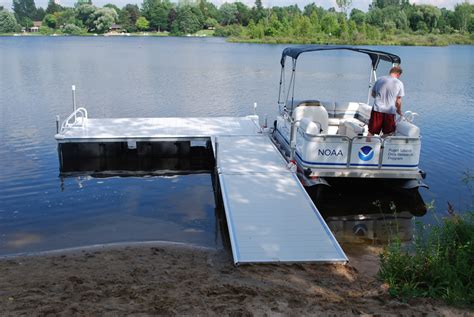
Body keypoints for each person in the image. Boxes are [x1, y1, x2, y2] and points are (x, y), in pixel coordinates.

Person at [368, 66, 404, 137]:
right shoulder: (399, 83)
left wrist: (381, 97)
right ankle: (383, 146)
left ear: (390, 72)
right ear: (398, 74)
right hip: (389, 112)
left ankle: (367, 146)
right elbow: (398, 101)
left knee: (371, 132)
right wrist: (399, 110)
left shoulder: (379, 79)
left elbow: (373, 94)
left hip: (377, 109)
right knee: (388, 133)